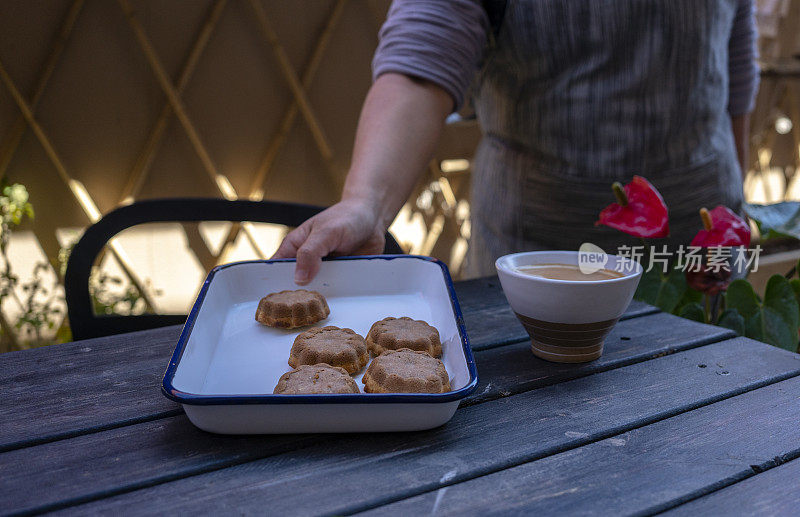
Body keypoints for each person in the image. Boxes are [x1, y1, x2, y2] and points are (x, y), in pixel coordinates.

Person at [273, 0, 760, 284]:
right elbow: (422, 62)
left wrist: (734, 210)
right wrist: (367, 203)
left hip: (697, 245)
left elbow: (734, 58)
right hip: (538, 256)